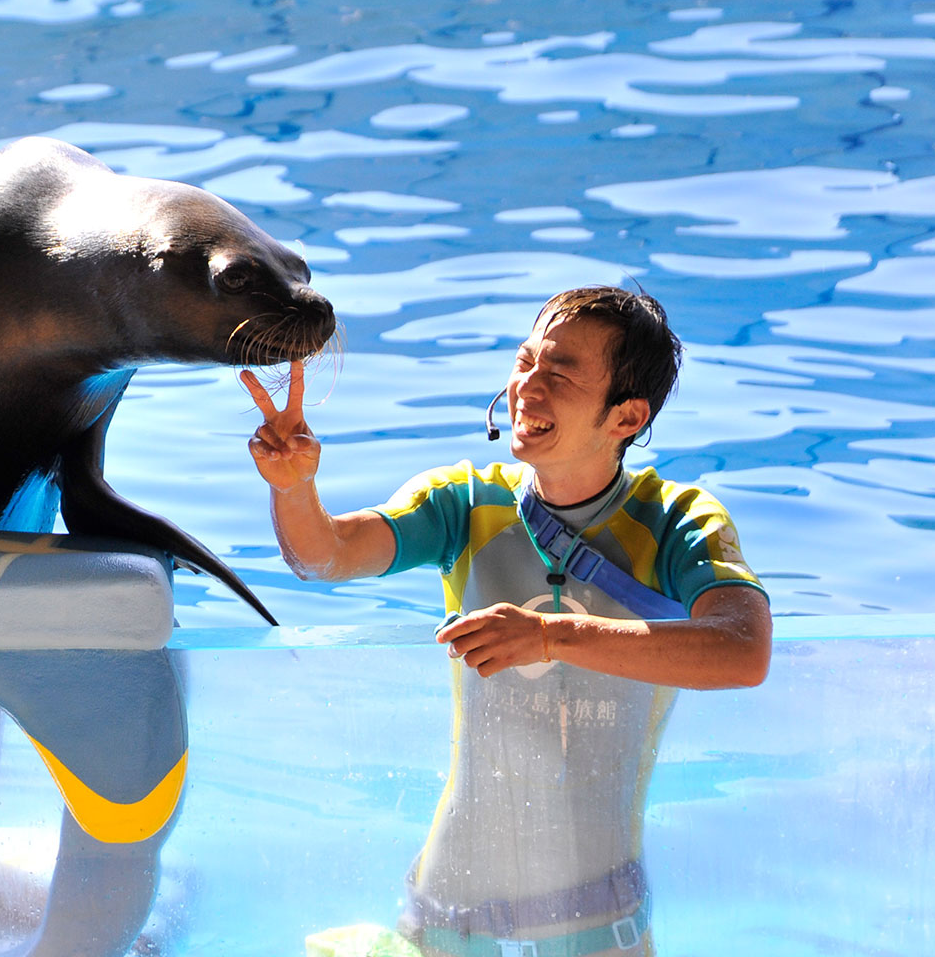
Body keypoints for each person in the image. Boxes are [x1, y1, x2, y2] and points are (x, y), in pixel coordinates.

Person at [242, 285, 771, 957]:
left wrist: (550, 636)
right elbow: (328, 555)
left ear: (627, 416)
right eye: (525, 362)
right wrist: (293, 486)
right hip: (444, 920)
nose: (528, 386)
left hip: (599, 929)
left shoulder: (677, 521)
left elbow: (742, 650)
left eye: (560, 374)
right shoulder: (465, 501)